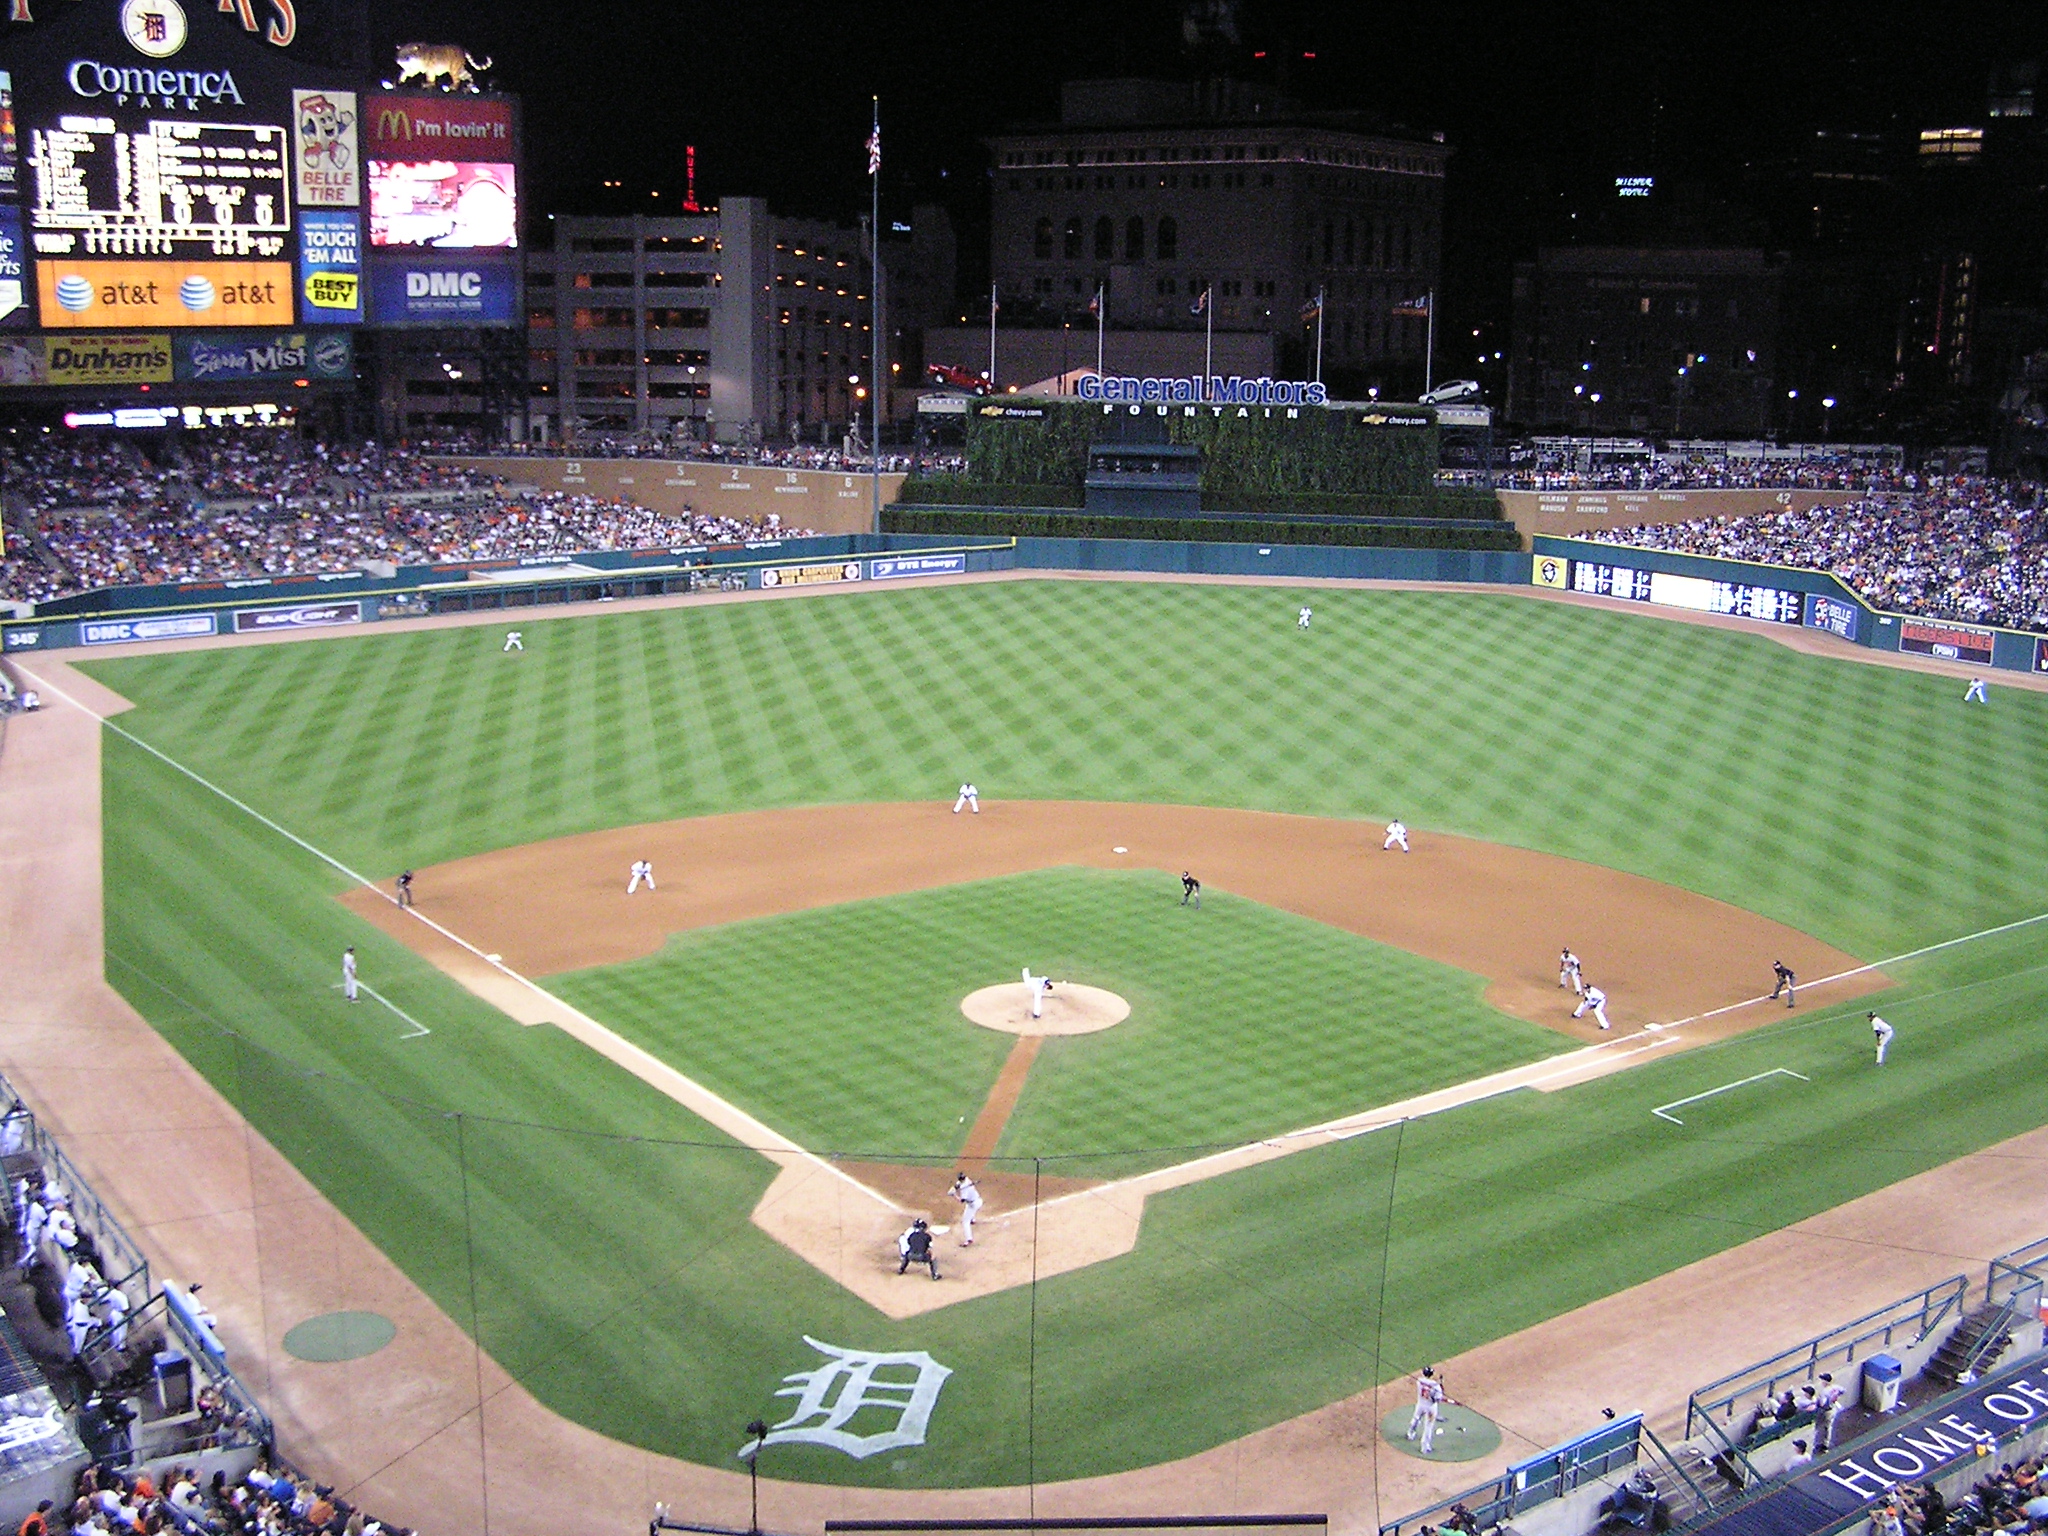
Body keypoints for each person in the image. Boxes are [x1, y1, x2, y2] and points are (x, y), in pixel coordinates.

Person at [1406, 1366, 1451, 1454]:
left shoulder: (1419, 1381)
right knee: (1428, 1426)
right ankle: (1424, 1447)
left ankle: (1410, 1434)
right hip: (1430, 1407)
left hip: (1421, 1404)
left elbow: (1427, 1386)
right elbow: (1437, 1399)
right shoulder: (1436, 1386)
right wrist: (1440, 1386)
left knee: (1416, 1418)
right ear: (1431, 1374)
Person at [950, 1172, 983, 1246]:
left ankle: (969, 1239)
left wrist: (954, 1195)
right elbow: (957, 1185)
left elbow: (961, 1201)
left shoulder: (965, 1190)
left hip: (973, 1204)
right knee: (969, 1209)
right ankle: (972, 1219)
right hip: (977, 1200)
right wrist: (953, 1189)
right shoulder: (967, 1179)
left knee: (965, 1222)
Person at [1814, 1373, 1845, 1450]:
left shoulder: (1824, 1392)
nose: (1821, 1382)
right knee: (1828, 1427)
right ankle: (1826, 1443)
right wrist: (1836, 1395)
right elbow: (1843, 1390)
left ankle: (1817, 1444)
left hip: (1825, 1411)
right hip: (1833, 1409)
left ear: (1826, 1382)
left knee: (1818, 1427)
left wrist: (1817, 1400)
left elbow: (1822, 1404)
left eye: (1823, 1380)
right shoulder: (1836, 1387)